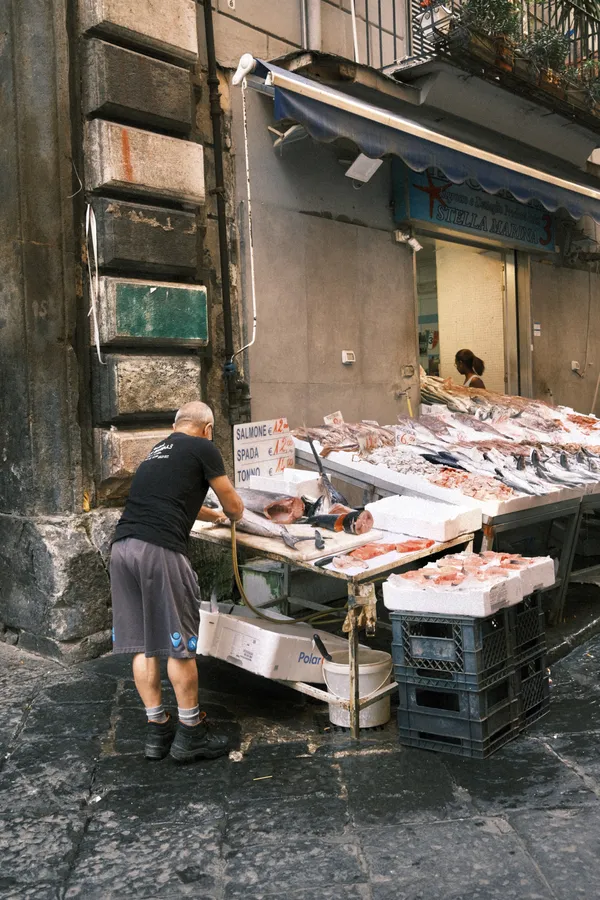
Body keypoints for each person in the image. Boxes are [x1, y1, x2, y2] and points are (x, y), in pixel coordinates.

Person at [110, 401, 244, 763]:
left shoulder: (157, 451)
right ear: (208, 428)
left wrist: (208, 514)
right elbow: (234, 507)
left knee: (142, 644)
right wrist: (231, 512)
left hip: (122, 549)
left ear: (176, 425)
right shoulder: (203, 447)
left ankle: (157, 730)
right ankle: (191, 734)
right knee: (178, 644)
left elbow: (175, 496)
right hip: (159, 550)